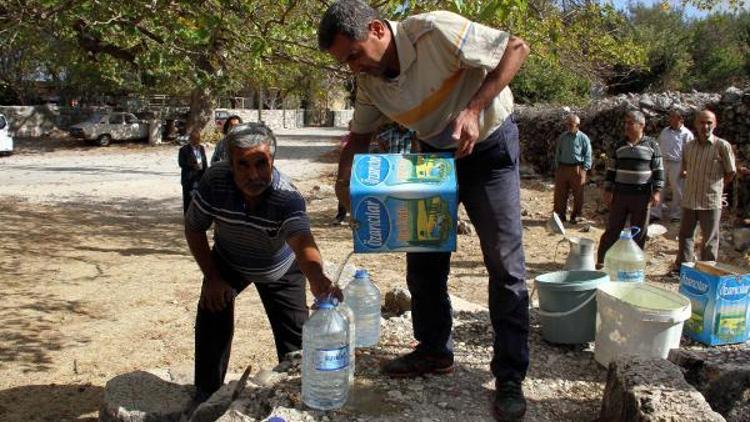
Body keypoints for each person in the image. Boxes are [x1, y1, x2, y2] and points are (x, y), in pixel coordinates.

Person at [318, 2, 531, 420]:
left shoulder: (434, 31)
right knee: (425, 262)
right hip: (435, 160)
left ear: (378, 29)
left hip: (488, 147)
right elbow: (359, 137)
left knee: (505, 265)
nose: (354, 68)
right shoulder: (370, 82)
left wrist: (472, 109)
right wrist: (345, 183)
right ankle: (434, 349)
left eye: (354, 55)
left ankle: (510, 376)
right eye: (345, 63)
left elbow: (516, 48)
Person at [184, 123, 340, 402]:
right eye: (242, 164)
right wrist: (213, 277)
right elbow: (194, 228)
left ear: (272, 162)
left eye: (261, 163)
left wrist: (318, 280)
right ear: (230, 164)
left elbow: (302, 241)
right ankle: (207, 395)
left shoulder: (286, 197)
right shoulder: (214, 181)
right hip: (229, 261)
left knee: (297, 344)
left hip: (279, 268)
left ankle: (298, 395)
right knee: (211, 315)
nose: (252, 174)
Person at [597, 110, 664, 267]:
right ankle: (602, 262)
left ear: (641, 125)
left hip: (642, 195)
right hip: (620, 194)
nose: (626, 126)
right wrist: (608, 190)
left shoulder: (652, 145)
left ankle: (632, 264)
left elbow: (658, 170)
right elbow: (611, 170)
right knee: (613, 229)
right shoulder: (619, 145)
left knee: (639, 232)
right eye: (625, 123)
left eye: (630, 123)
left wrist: (657, 191)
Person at [673, 110, 735, 272]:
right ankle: (682, 269)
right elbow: (686, 169)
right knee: (686, 236)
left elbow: (730, 172)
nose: (705, 126)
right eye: (702, 122)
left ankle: (707, 272)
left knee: (709, 240)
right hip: (690, 199)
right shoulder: (688, 147)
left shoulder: (722, 146)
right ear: (695, 124)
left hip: (710, 201)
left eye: (709, 123)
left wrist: (716, 188)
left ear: (715, 124)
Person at [652, 109, 694, 222]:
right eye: (670, 117)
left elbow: (690, 152)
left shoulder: (687, 134)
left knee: (678, 190)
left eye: (673, 117)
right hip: (663, 162)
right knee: (659, 186)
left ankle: (676, 214)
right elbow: (658, 144)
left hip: (678, 163)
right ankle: (656, 212)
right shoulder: (665, 131)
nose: (670, 119)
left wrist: (686, 168)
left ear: (680, 119)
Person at [553, 113, 592, 223]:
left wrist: (585, 169)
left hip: (577, 169)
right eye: (568, 124)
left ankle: (576, 215)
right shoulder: (562, 137)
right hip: (563, 168)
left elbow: (588, 154)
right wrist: (557, 167)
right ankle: (560, 216)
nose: (569, 126)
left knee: (578, 194)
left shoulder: (583, 138)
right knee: (560, 193)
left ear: (577, 125)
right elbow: (558, 152)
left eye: (571, 124)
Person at [179, 130, 208, 213]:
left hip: (199, 177)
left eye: (198, 139)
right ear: (190, 139)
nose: (197, 141)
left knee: (199, 199)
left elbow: (204, 162)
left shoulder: (201, 148)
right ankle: (187, 217)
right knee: (188, 200)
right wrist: (192, 166)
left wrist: (206, 173)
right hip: (188, 178)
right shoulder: (183, 150)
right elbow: (181, 163)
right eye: (195, 139)